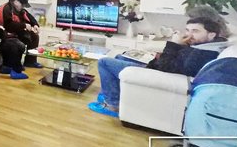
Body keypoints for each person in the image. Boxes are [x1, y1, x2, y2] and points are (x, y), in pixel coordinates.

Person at [89, 17, 226, 117]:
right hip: (157, 67)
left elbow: (165, 67)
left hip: (156, 73)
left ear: (211, 34)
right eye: (188, 30)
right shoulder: (205, 47)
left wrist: (174, 44)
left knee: (104, 62)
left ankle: (113, 105)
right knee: (120, 57)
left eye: (195, 31)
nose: (189, 35)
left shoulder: (202, 54)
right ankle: (114, 94)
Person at [0, 0, 42, 68]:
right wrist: (24, 25)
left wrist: (35, 25)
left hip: (17, 31)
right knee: (20, 44)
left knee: (34, 36)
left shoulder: (19, 9)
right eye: (22, 5)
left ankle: (30, 61)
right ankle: (16, 65)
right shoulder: (7, 9)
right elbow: (8, 25)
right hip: (7, 34)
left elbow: (29, 16)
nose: (23, 7)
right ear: (16, 1)